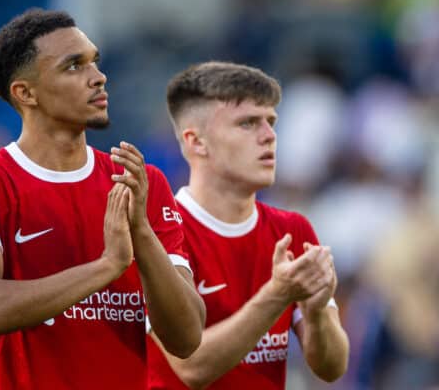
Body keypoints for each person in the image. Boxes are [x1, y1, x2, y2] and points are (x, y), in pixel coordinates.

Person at [0, 8, 205, 389]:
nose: (98, 77)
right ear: (26, 93)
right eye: (74, 66)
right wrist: (106, 266)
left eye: (95, 61)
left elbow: (187, 337)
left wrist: (141, 233)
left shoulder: (139, 182)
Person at [147, 61, 349, 389]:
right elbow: (191, 368)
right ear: (196, 142)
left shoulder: (293, 230)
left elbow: (331, 367)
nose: (269, 137)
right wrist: (277, 294)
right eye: (248, 124)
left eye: (271, 122)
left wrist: (315, 313)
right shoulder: (154, 232)